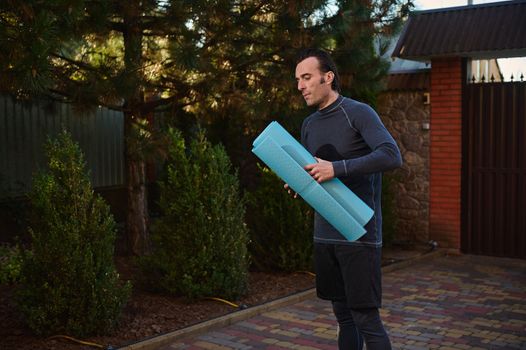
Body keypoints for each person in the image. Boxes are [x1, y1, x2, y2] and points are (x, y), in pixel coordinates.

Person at [292, 48, 402, 349]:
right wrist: (299, 183)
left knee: (366, 318)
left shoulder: (358, 113)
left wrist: (336, 169)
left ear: (328, 77)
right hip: (325, 235)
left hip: (360, 235)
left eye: (307, 77)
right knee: (343, 316)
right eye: (298, 80)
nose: (301, 86)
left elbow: (391, 156)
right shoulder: (309, 125)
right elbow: (316, 173)